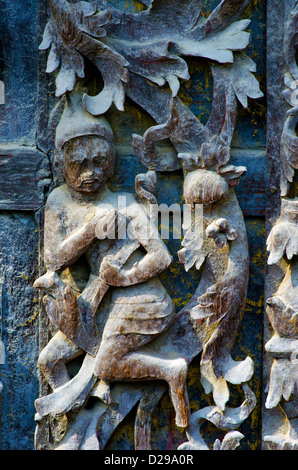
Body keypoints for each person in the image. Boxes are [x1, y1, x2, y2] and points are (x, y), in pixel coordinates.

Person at [34, 95, 189, 427]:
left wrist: (124, 277)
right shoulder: (59, 201)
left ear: (112, 161)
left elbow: (160, 256)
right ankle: (75, 422)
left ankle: (168, 371)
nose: (90, 174)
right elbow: (53, 259)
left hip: (135, 302)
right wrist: (90, 229)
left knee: (105, 365)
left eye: (99, 163)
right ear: (61, 164)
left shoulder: (124, 204)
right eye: (79, 165)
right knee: (49, 360)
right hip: (96, 302)